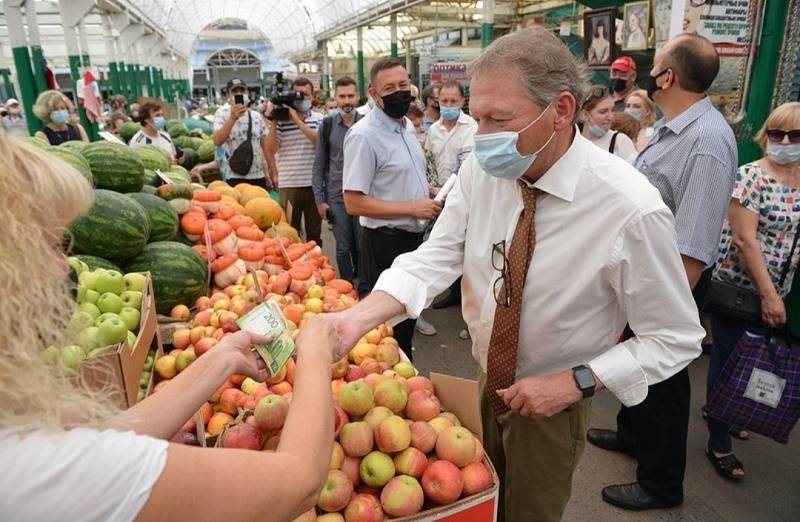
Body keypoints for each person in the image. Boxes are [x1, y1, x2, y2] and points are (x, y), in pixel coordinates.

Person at [330, 27, 703, 521]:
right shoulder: (482, 173)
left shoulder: (630, 208)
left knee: (529, 512)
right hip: (486, 379)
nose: (481, 137)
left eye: (498, 119)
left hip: (554, 401)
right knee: (478, 502)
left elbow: (675, 336)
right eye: (476, 116)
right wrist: (357, 319)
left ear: (562, 110)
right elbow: (437, 255)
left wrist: (578, 381)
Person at [0, 134, 347, 522]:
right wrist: (315, 352)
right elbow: (298, 482)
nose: (68, 266)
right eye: (50, 245)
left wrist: (222, 358)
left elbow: (105, 442)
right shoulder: (33, 472)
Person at [588, 33, 737, 511]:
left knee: (665, 380)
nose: (650, 71)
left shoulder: (707, 142)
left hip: (672, 283)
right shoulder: (676, 130)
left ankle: (661, 483)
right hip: (648, 276)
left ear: (668, 76)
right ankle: (633, 437)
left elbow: (691, 249)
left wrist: (662, 309)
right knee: (639, 365)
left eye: (658, 64)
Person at [706, 102, 800, 480]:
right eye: (776, 134)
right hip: (741, 289)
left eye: (795, 135)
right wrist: (769, 296)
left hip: (778, 287)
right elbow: (745, 240)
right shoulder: (750, 177)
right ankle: (718, 440)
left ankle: (728, 413)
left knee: (752, 356)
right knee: (729, 358)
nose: (784, 142)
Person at [343, 57, 443, 361]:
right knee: (387, 330)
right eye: (390, 88)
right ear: (374, 94)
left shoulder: (406, 128)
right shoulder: (364, 136)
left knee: (407, 319)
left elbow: (401, 177)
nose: (400, 92)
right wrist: (412, 207)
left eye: (403, 85)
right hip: (384, 243)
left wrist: (428, 192)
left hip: (412, 240)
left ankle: (405, 380)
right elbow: (353, 201)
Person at [426, 80, 478, 313]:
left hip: (467, 198)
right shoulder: (433, 130)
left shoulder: (473, 128)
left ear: (462, 101)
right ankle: (452, 292)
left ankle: (469, 300)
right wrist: (433, 188)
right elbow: (428, 163)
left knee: (469, 249)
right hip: (440, 199)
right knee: (446, 245)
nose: (448, 105)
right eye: (444, 101)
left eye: (453, 101)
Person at [312, 76, 365, 292]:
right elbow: (319, 166)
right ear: (335, 97)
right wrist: (319, 200)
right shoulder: (327, 126)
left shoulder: (367, 124)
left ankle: (364, 286)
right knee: (343, 247)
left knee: (363, 246)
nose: (346, 101)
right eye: (342, 96)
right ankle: (347, 288)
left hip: (363, 195)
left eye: (350, 96)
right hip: (337, 196)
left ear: (358, 96)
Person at [266, 77, 323, 244]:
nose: (300, 99)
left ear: (313, 96)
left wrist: (297, 120)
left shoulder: (319, 118)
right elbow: (270, 149)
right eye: (297, 95)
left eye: (304, 95)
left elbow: (318, 141)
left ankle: (317, 265)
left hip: (314, 185)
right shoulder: (282, 122)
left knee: (314, 232)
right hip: (289, 185)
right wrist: (275, 121)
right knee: (290, 232)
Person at [212, 78, 270, 189]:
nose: (239, 94)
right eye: (234, 91)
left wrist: (268, 173)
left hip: (258, 176)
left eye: (242, 91)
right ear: (228, 96)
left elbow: (265, 148)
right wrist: (232, 118)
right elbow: (217, 141)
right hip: (235, 176)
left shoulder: (256, 116)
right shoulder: (222, 114)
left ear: (247, 93)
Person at [580, 86, 638, 163]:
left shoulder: (620, 141)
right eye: (603, 112)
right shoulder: (574, 142)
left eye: (612, 110)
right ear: (585, 115)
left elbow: (635, 172)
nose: (610, 117)